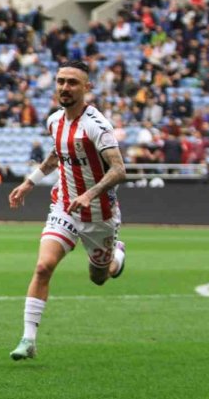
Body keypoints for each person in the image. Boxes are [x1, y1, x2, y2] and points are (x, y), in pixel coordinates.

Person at [7, 60, 127, 361]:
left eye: (73, 82)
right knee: (43, 266)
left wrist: (90, 193)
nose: (64, 87)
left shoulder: (97, 126)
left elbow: (119, 169)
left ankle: (116, 256)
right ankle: (28, 339)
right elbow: (55, 156)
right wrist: (28, 183)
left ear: (87, 88)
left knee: (99, 276)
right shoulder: (53, 121)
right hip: (64, 207)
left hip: (99, 215)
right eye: (61, 81)